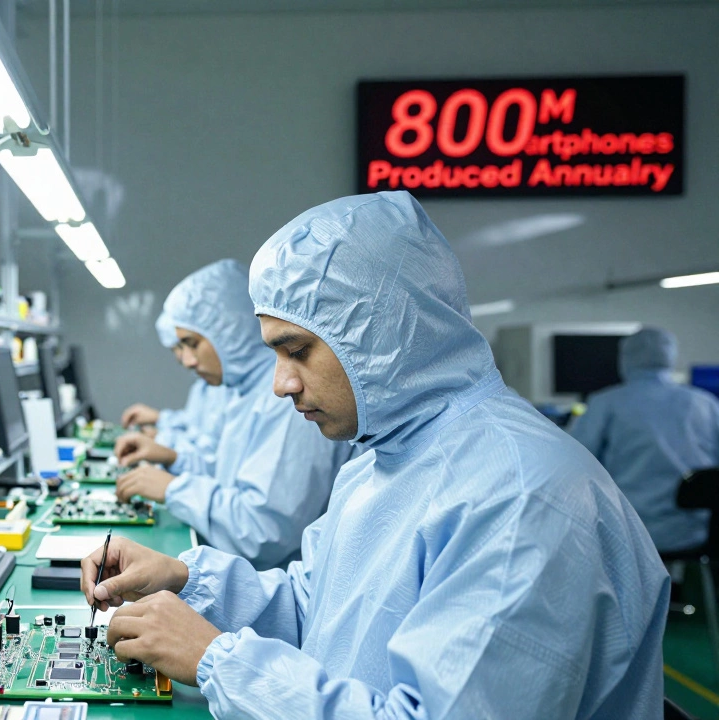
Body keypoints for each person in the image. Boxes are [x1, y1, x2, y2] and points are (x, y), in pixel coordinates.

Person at [82, 192, 668, 719]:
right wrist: (188, 579)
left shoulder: (521, 498)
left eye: (298, 351)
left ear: (380, 331)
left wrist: (216, 659)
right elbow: (319, 611)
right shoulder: (382, 455)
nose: (280, 385)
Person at [111, 259, 353, 571]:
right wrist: (172, 458)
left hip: (261, 582)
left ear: (228, 329)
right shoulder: (245, 392)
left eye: (191, 343)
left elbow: (262, 531)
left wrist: (173, 488)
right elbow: (221, 470)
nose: (185, 360)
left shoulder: (288, 401)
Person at [570, 327, 719, 553]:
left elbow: (574, 461)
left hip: (628, 531)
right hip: (695, 533)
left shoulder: (606, 404)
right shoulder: (705, 403)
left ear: (625, 359)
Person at [120, 311, 229, 457]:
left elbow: (209, 454)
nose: (185, 360)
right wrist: (160, 419)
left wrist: (163, 440)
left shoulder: (226, 388)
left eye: (188, 344)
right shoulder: (203, 386)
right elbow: (192, 424)